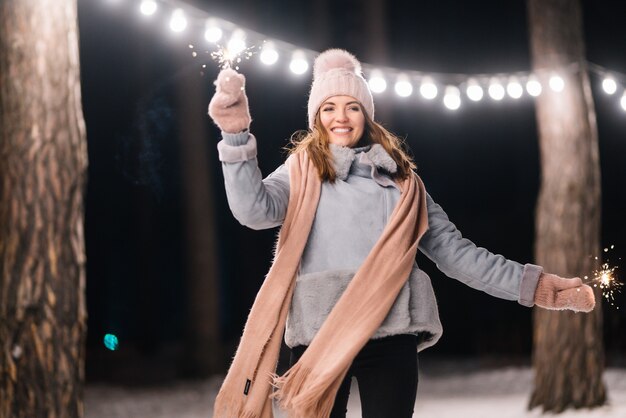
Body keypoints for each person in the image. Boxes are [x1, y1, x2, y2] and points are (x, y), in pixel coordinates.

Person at [207, 49, 595, 418]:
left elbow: (458, 255)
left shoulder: (404, 185)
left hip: (390, 335)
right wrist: (236, 136)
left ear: (367, 114)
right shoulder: (301, 172)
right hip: (318, 337)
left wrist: (539, 286)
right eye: (329, 107)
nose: (340, 117)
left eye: (352, 106)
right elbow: (253, 211)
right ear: (316, 116)